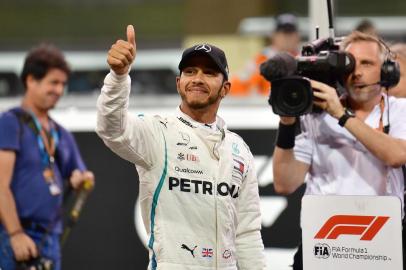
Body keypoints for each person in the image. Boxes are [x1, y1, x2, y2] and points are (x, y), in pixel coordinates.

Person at [96, 25, 266, 270]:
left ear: (225, 89)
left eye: (209, 72)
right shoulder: (158, 132)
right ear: (179, 83)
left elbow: (247, 231)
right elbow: (112, 129)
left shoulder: (239, 149)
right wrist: (118, 77)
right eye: (190, 71)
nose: (197, 78)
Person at [272, 31, 406, 269]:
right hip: (323, 242)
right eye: (351, 63)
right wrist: (287, 123)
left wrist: (342, 115)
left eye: (367, 63)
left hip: (381, 244)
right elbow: (285, 184)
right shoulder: (315, 115)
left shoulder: (400, 110)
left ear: (387, 71)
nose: (357, 72)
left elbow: (396, 155)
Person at [0, 44, 95, 270]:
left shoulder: (61, 133)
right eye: (53, 82)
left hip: (50, 238)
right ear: (31, 80)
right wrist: (15, 234)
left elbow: (81, 175)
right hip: (15, 235)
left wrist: (81, 180)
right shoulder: (10, 123)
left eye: (63, 84)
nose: (59, 90)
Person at [230, 13, 300, 96]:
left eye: (291, 33)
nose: (287, 37)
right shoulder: (262, 59)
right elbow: (240, 84)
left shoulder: (305, 58)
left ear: (298, 36)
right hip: (266, 106)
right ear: (274, 36)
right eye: (283, 33)